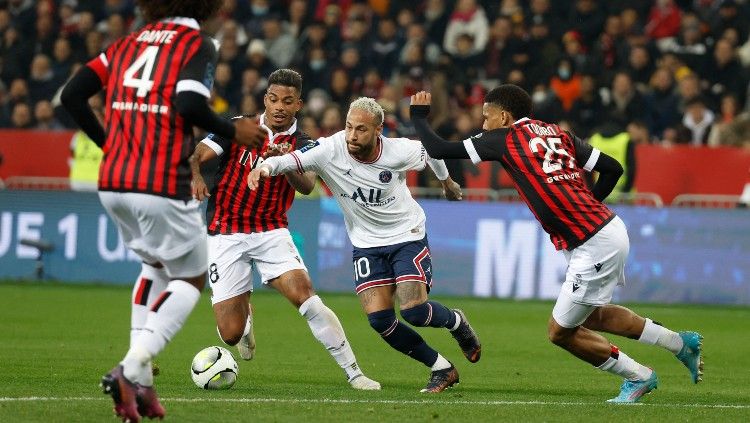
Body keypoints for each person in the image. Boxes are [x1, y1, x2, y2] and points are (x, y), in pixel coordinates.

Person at [408, 85, 703, 403]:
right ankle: (679, 343)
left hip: (594, 243)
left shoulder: (503, 138)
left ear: (504, 116)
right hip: (604, 230)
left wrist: (419, 117)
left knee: (559, 332)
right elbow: (612, 169)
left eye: (486, 117)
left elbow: (437, 148)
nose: (483, 125)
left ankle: (639, 376)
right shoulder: (556, 133)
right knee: (591, 316)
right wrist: (587, 206)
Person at [60, 1, 266, 421]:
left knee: (153, 267)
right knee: (189, 273)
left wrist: (109, 145)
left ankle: (142, 386)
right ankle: (132, 366)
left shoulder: (125, 43)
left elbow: (72, 95)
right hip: (158, 181)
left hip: (114, 182)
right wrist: (234, 128)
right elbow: (189, 102)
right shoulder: (197, 43)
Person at [248, 97, 482, 393]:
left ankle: (456, 323)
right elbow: (290, 160)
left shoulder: (398, 150)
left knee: (414, 311)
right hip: (366, 243)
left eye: (360, 129)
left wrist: (446, 182)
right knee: (381, 321)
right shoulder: (330, 149)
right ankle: (441, 368)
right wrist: (265, 168)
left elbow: (432, 152)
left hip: (406, 234)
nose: (352, 136)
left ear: (378, 131)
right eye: (348, 127)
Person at [189, 69, 380, 390]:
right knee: (231, 333)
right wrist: (196, 174)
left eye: (287, 101)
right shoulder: (240, 127)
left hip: (271, 231)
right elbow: (198, 154)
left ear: (298, 105)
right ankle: (245, 319)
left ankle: (354, 372)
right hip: (225, 231)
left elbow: (306, 186)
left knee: (306, 297)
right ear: (265, 99)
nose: (279, 106)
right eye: (274, 99)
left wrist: (286, 163)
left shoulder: (304, 143)